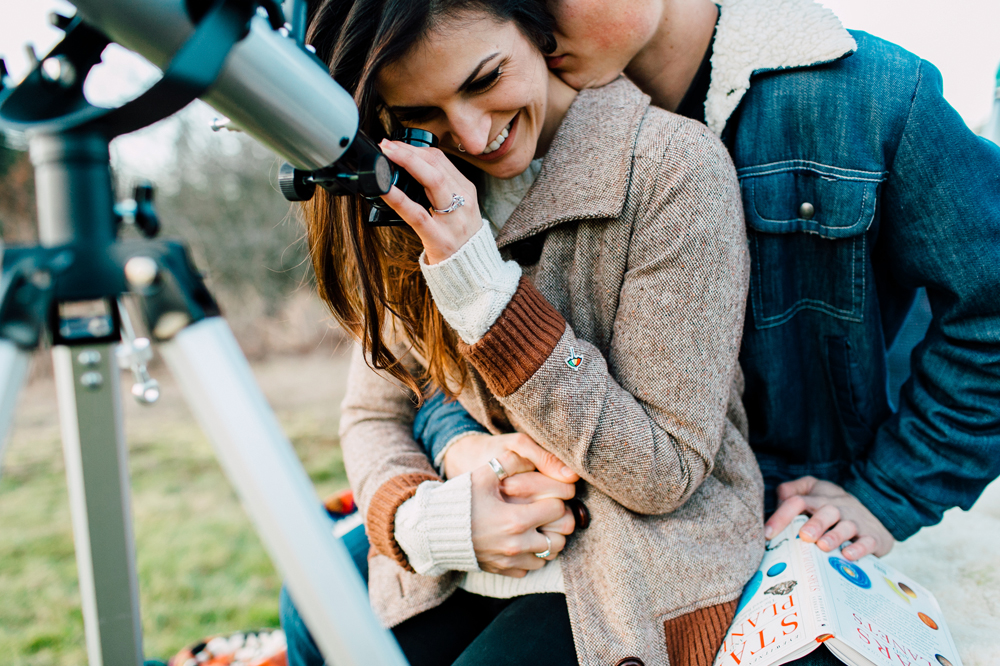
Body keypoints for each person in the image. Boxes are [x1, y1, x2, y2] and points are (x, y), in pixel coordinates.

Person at [419, 0, 1000, 564]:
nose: (523, 16)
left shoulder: (871, 94)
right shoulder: (509, 131)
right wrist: (463, 446)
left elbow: (990, 308)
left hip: (797, 530)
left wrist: (890, 494)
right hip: (600, 541)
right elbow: (419, 359)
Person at [281, 0, 765, 664]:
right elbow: (372, 409)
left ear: (535, 29)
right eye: (424, 116)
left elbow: (665, 471)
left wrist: (483, 292)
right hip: (478, 536)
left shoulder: (673, 166)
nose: (473, 136)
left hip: (636, 556)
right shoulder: (410, 185)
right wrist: (426, 524)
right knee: (311, 597)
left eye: (484, 80)